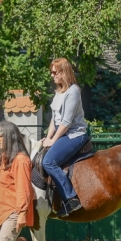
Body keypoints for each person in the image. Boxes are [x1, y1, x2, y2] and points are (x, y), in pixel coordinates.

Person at [42, 57, 90, 217]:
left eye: (55, 72)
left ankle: (71, 199)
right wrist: (47, 138)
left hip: (75, 135)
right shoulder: (59, 92)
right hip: (62, 134)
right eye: (52, 72)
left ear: (64, 72)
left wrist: (53, 140)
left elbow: (66, 123)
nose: (52, 75)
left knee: (48, 162)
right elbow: (54, 120)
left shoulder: (73, 91)